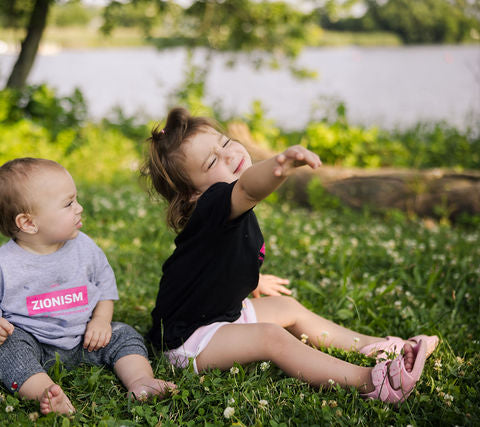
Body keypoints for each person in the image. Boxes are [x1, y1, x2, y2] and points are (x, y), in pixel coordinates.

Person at [142, 107, 438, 404]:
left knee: (287, 307)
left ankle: (377, 347)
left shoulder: (225, 212)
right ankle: (372, 382)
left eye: (225, 142)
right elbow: (247, 187)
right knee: (271, 337)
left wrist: (251, 282)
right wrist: (280, 165)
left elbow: (211, 267)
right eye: (212, 161)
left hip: (217, 316)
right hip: (187, 340)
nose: (230, 154)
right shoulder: (213, 205)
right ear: (195, 195)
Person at [0, 158, 175, 415]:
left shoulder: (85, 248)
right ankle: (44, 390)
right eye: (68, 204)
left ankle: (140, 380)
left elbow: (104, 287)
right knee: (3, 349)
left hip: (85, 339)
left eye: (75, 200)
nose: (79, 208)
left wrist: (100, 321)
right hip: (33, 343)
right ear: (29, 223)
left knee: (123, 334)